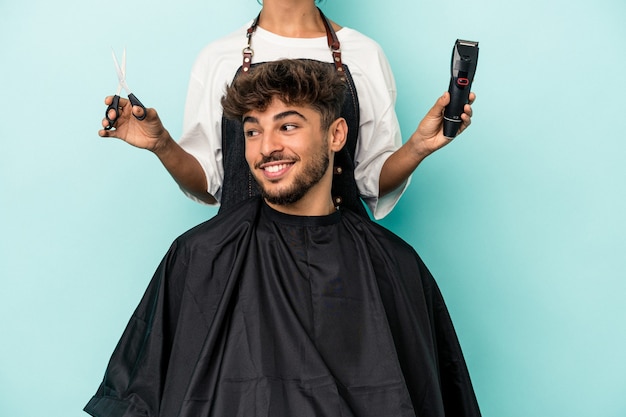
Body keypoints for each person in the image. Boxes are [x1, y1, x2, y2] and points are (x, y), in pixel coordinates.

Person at [85, 59, 481, 417]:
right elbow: (135, 400)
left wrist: (415, 147)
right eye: (253, 131)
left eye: (288, 126)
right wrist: (163, 144)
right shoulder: (200, 255)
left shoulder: (395, 264)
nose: (267, 147)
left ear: (336, 134)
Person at [100, 0, 475, 219]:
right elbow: (211, 184)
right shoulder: (217, 58)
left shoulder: (365, 54)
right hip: (241, 264)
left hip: (341, 265)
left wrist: (419, 147)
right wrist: (162, 144)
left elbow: (369, 180)